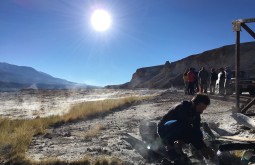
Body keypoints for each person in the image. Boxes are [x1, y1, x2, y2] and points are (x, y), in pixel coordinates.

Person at [157, 94, 215, 161]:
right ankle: (170, 147)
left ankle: (178, 146)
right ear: (194, 103)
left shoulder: (196, 113)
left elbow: (197, 130)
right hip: (164, 129)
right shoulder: (182, 108)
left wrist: (204, 147)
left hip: (176, 128)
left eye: (203, 109)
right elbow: (187, 129)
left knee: (195, 133)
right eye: (200, 108)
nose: (201, 111)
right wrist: (201, 147)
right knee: (187, 129)